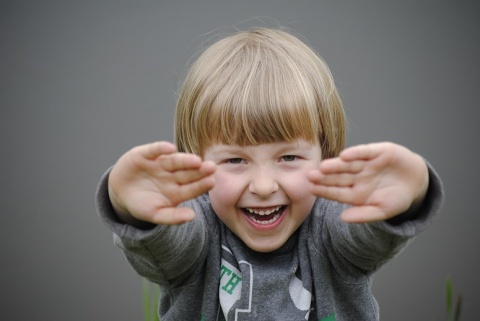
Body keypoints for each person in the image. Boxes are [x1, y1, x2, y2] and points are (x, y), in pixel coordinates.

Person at [96, 27, 444, 320]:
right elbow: (169, 244)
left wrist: (405, 200)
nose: (263, 186)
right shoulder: (197, 228)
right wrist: (136, 211)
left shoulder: (329, 227)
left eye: (288, 157)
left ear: (325, 154)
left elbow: (362, 233)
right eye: (235, 160)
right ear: (195, 161)